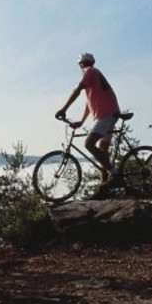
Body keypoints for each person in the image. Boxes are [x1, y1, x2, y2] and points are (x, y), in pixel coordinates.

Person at [55, 53, 121, 199]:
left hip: (107, 114)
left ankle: (115, 175)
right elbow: (88, 103)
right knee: (102, 153)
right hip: (111, 113)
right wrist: (82, 121)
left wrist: (64, 109)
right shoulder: (95, 75)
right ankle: (104, 190)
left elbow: (77, 90)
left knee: (89, 143)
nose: (79, 67)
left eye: (79, 64)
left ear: (82, 64)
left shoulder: (89, 71)